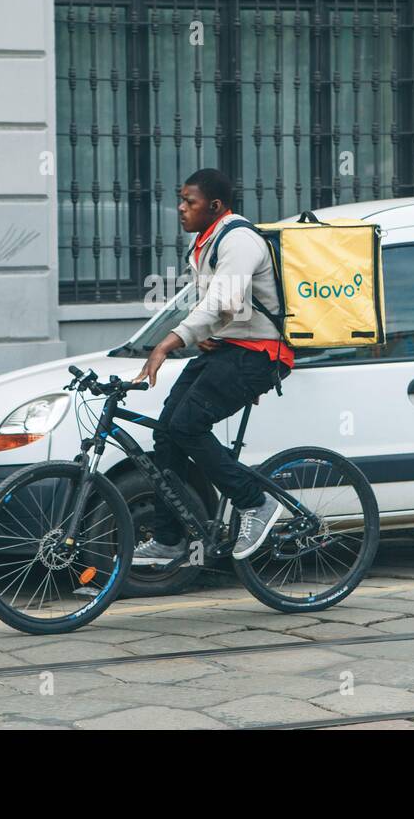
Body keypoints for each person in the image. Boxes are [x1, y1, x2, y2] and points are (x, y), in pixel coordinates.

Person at [131, 167, 294, 566]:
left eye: (190, 201)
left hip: (260, 355)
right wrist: (208, 333)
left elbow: (222, 301)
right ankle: (169, 538)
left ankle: (255, 502)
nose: (181, 208)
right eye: (181, 200)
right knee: (167, 433)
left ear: (216, 206)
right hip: (229, 351)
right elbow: (224, 308)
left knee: (188, 425)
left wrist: (168, 344)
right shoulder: (206, 242)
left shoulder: (238, 240)